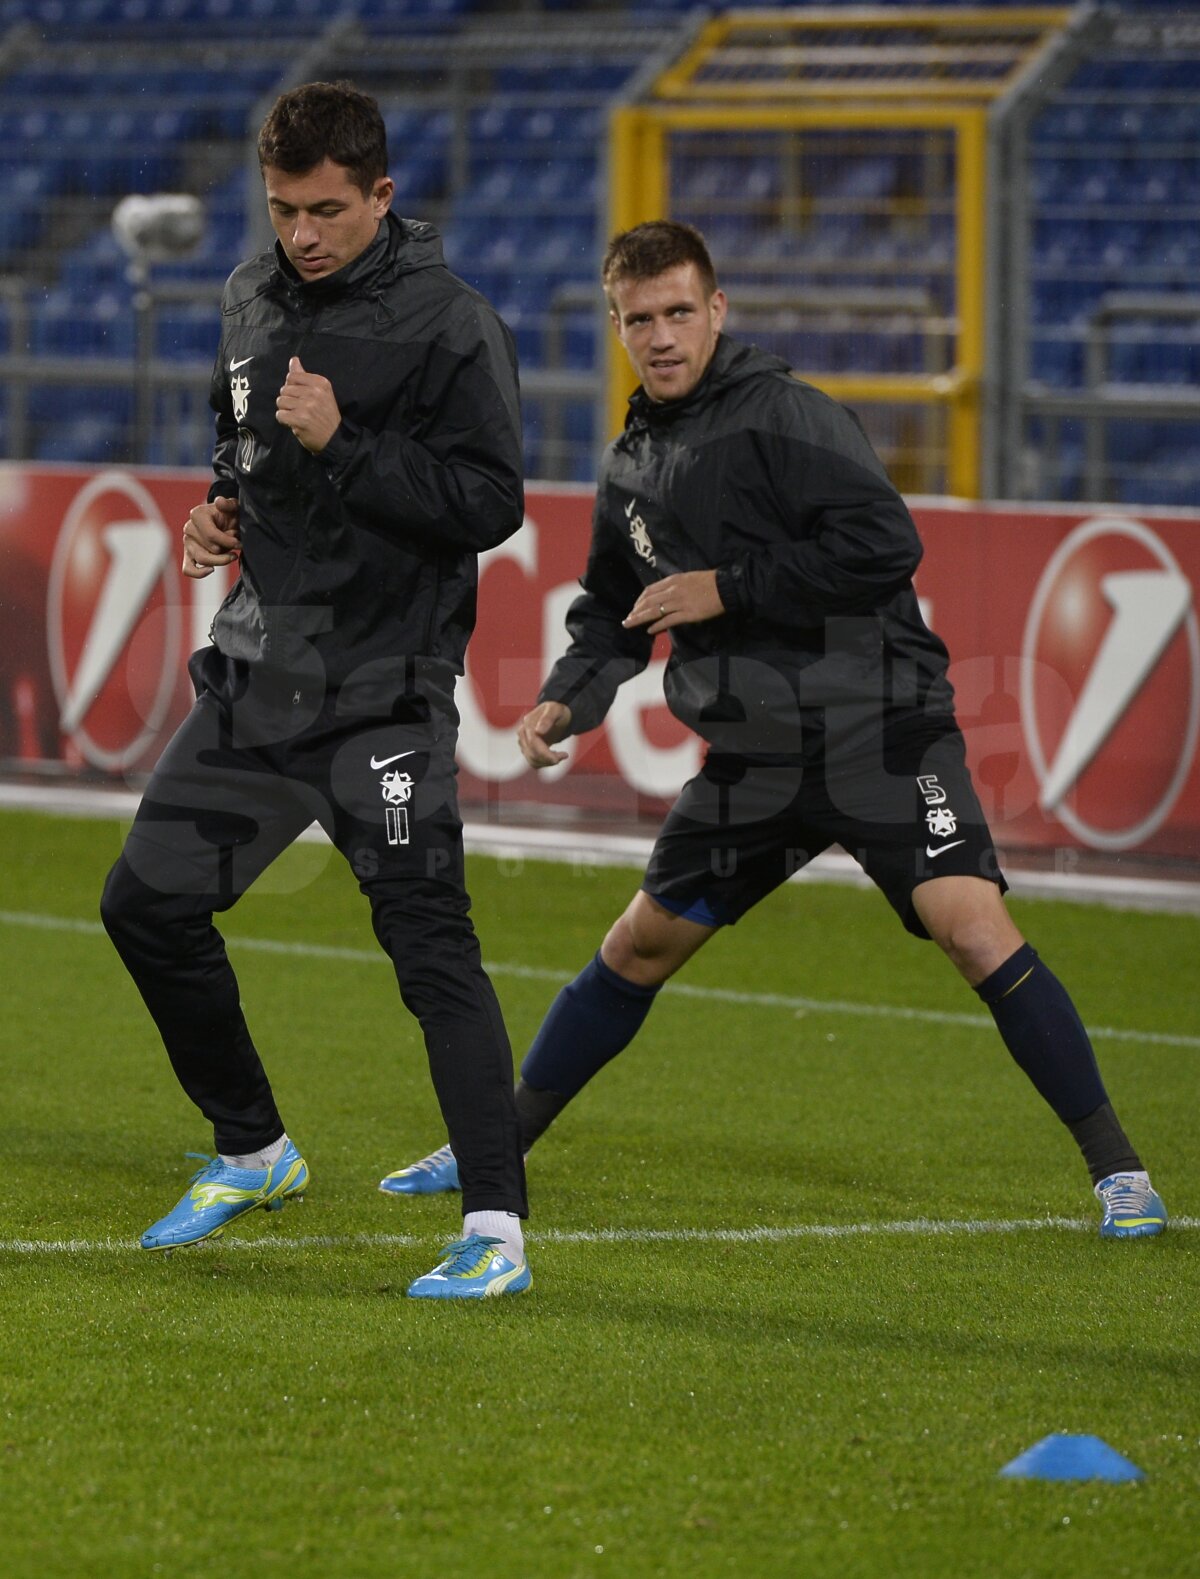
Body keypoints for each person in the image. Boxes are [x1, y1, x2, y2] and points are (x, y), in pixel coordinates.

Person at [381, 219, 1167, 1242]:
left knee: (969, 923)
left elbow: (886, 543)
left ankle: (1122, 1172)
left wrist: (728, 587)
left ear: (716, 311)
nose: (661, 336)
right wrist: (570, 699)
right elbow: (613, 616)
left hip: (879, 730)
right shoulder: (630, 466)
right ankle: (495, 1144)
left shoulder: (788, 416)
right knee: (639, 943)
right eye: (638, 320)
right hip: (755, 758)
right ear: (617, 328)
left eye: (678, 313)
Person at [101, 80, 532, 1299]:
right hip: (260, 673)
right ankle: (256, 1148)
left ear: (381, 196)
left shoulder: (451, 325)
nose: (304, 234)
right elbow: (236, 437)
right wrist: (219, 509)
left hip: (384, 689)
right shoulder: (248, 295)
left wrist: (348, 443)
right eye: (286, 209)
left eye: (329, 210)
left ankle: (497, 1230)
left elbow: (490, 503)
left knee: (429, 948)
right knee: (145, 905)